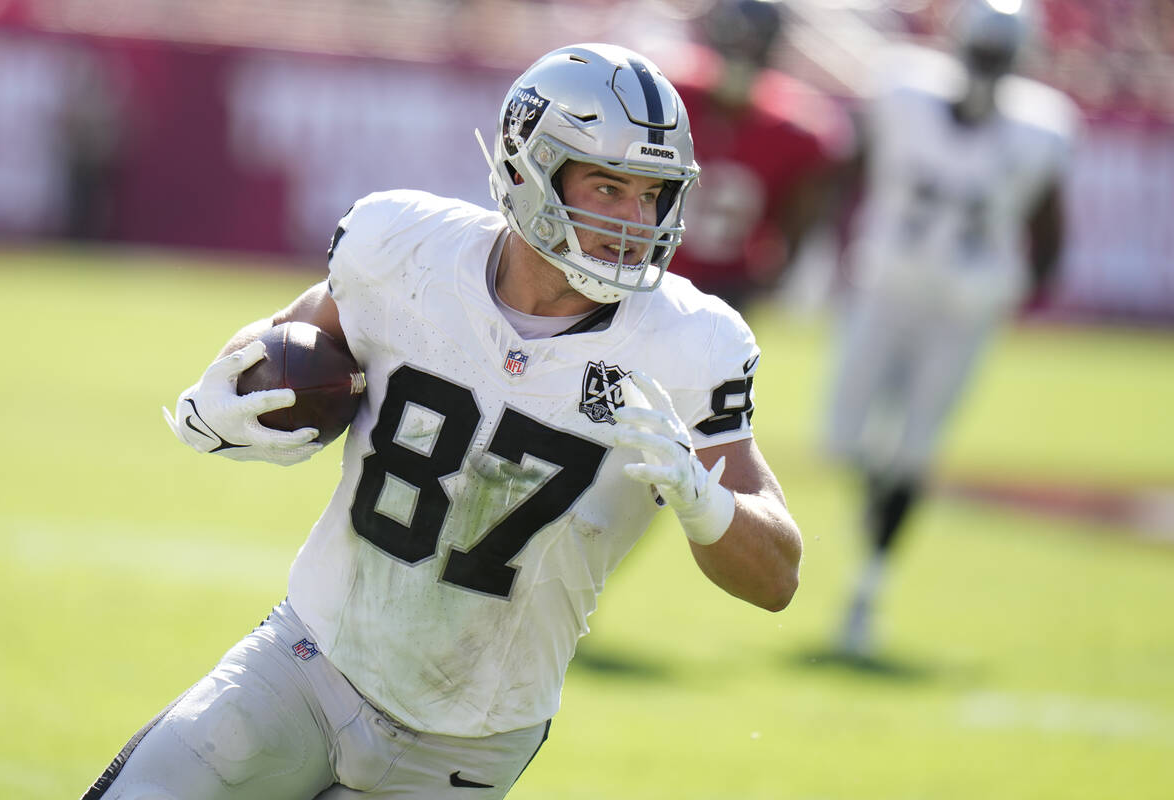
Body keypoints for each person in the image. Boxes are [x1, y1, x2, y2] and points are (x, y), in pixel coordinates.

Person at [82, 43, 802, 799]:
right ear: (530, 170)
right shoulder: (403, 246)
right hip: (308, 657)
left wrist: (706, 502)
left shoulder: (693, 342)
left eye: (653, 193)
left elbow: (778, 578)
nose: (636, 219)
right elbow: (292, 340)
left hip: (469, 742)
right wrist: (224, 395)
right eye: (609, 186)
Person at [826, 0, 1078, 659]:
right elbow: (849, 169)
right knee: (841, 439)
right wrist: (832, 251)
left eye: (999, 58)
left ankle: (868, 585)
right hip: (883, 292)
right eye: (982, 53)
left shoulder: (1041, 129)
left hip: (964, 309)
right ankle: (878, 506)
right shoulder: (902, 89)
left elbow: (1049, 228)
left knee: (915, 450)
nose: (987, 70)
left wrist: (1028, 297)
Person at [663, 0, 854, 312]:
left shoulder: (796, 132)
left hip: (726, 287)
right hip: (654, 266)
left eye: (752, 46)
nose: (741, 56)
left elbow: (799, 217)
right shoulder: (672, 97)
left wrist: (774, 272)